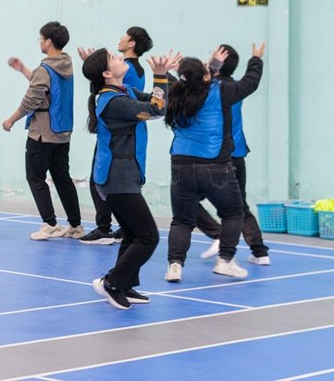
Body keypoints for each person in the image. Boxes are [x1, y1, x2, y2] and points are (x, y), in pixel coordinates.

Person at [81, 48, 175, 309]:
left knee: (133, 234)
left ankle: (125, 284)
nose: (120, 57)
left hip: (125, 176)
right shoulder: (113, 102)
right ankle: (112, 283)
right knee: (148, 236)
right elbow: (155, 109)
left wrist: (166, 74)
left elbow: (161, 102)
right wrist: (159, 76)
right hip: (116, 179)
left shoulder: (126, 92)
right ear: (106, 73)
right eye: (113, 58)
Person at [163, 44, 265, 283]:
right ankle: (225, 260)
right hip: (214, 166)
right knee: (234, 212)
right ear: (207, 76)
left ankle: (175, 266)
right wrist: (256, 59)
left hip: (180, 165)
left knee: (181, 220)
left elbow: (180, 79)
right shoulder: (222, 90)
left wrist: (163, 71)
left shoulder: (175, 91)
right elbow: (251, 82)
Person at [3, 21, 84, 241]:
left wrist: (11, 119)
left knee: (35, 176)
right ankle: (75, 225)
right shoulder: (66, 64)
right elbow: (46, 86)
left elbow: (32, 100)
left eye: (40, 38)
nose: (39, 42)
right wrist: (23, 69)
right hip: (62, 132)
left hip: (42, 133)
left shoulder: (44, 69)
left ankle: (50, 224)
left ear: (48, 41)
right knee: (62, 178)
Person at [191, 44, 270, 266]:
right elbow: (252, 79)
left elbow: (191, 84)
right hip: (237, 155)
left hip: (214, 157)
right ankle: (260, 252)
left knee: (187, 200)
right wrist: (256, 58)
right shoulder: (236, 88)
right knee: (240, 205)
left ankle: (217, 234)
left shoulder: (210, 90)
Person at [78, 26, 153, 245]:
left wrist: (94, 69)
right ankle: (122, 228)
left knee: (102, 180)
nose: (120, 39)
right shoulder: (138, 69)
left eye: (124, 36)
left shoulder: (125, 72)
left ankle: (104, 228)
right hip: (125, 127)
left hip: (117, 132)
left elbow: (152, 107)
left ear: (132, 43)